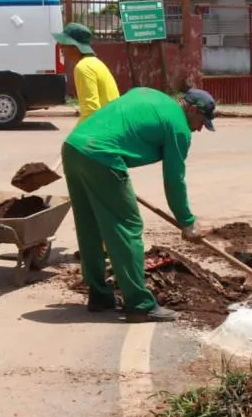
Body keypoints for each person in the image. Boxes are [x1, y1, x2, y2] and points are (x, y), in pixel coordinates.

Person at [62, 87, 215, 323]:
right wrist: (187, 222)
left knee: (89, 225)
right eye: (202, 121)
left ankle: (99, 295)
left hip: (74, 147)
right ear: (192, 109)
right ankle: (139, 304)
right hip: (102, 155)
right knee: (128, 227)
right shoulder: (179, 128)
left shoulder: (155, 96)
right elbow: (174, 181)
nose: (200, 128)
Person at [53, 22, 120, 127]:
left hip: (103, 129)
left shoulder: (83, 67)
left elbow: (91, 110)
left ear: (75, 47)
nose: (61, 48)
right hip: (112, 124)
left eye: (64, 44)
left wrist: (76, 137)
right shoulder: (95, 62)